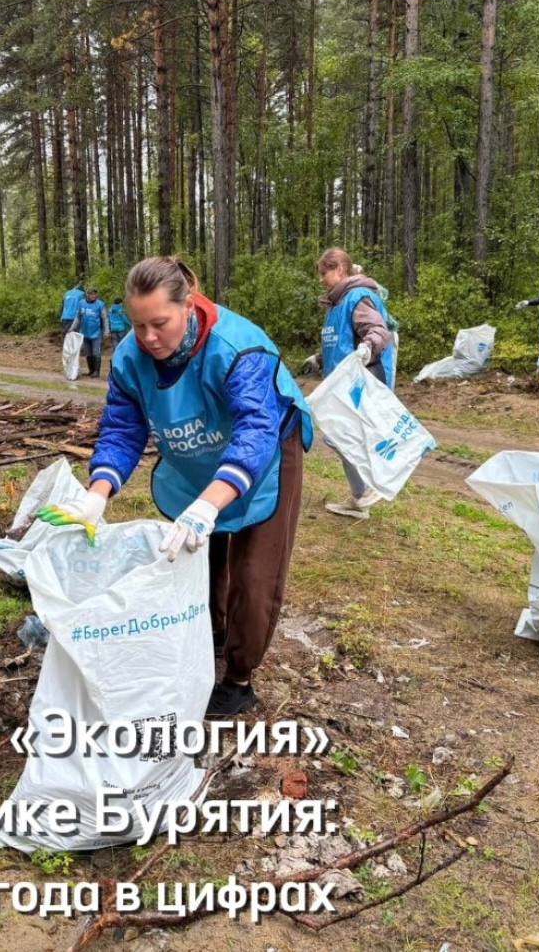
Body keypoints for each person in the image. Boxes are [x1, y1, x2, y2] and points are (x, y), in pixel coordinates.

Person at [52, 257, 313, 716]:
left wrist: (211, 503)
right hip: (197, 452)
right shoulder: (132, 359)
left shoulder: (237, 347)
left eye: (160, 323)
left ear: (188, 307)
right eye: (137, 326)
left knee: (254, 575)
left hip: (266, 452)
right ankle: (205, 638)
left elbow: (255, 430)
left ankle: (237, 677)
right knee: (196, 558)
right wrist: (97, 494)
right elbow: (121, 428)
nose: (149, 338)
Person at [313, 248, 397, 520]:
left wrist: (368, 347)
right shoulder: (337, 304)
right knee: (338, 434)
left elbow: (377, 330)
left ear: (339, 269)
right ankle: (361, 495)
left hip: (364, 379)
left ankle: (366, 490)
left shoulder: (358, 298)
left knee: (343, 434)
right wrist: (319, 358)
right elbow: (341, 341)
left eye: (324, 274)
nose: (322, 280)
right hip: (343, 383)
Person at [71, 287, 108, 377]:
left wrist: (106, 331)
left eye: (95, 294)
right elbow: (78, 317)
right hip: (84, 332)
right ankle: (91, 371)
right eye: (91, 294)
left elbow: (105, 318)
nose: (93, 296)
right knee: (88, 353)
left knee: (96, 352)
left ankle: (96, 372)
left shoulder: (100, 304)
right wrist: (72, 327)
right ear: (87, 295)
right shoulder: (81, 303)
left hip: (96, 333)